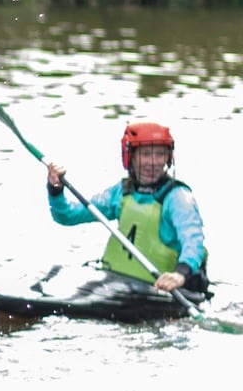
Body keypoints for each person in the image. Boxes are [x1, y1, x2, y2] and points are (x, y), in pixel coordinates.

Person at [45, 121, 207, 293]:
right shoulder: (121, 193)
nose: (152, 162)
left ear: (168, 157)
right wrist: (55, 189)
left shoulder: (178, 197)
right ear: (131, 157)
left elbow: (193, 241)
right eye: (145, 154)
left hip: (157, 292)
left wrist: (180, 274)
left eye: (160, 154)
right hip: (114, 283)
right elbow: (67, 215)